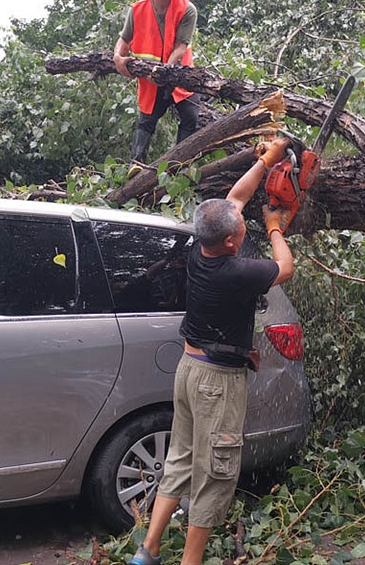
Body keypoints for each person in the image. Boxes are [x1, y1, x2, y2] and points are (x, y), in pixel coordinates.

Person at [129, 137, 295, 565]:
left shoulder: (199, 248)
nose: (243, 228)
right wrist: (275, 227)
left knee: (180, 459)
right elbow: (287, 268)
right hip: (216, 384)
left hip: (189, 369)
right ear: (231, 243)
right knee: (214, 475)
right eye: (240, 231)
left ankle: (147, 552)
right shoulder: (237, 271)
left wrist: (265, 163)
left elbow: (234, 200)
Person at [113, 0, 201, 172]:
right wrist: (118, 58)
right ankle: (136, 165)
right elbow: (124, 39)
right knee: (146, 121)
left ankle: (179, 167)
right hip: (150, 78)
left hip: (181, 74)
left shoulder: (187, 9)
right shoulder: (137, 10)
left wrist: (166, 70)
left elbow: (181, 45)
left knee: (191, 117)